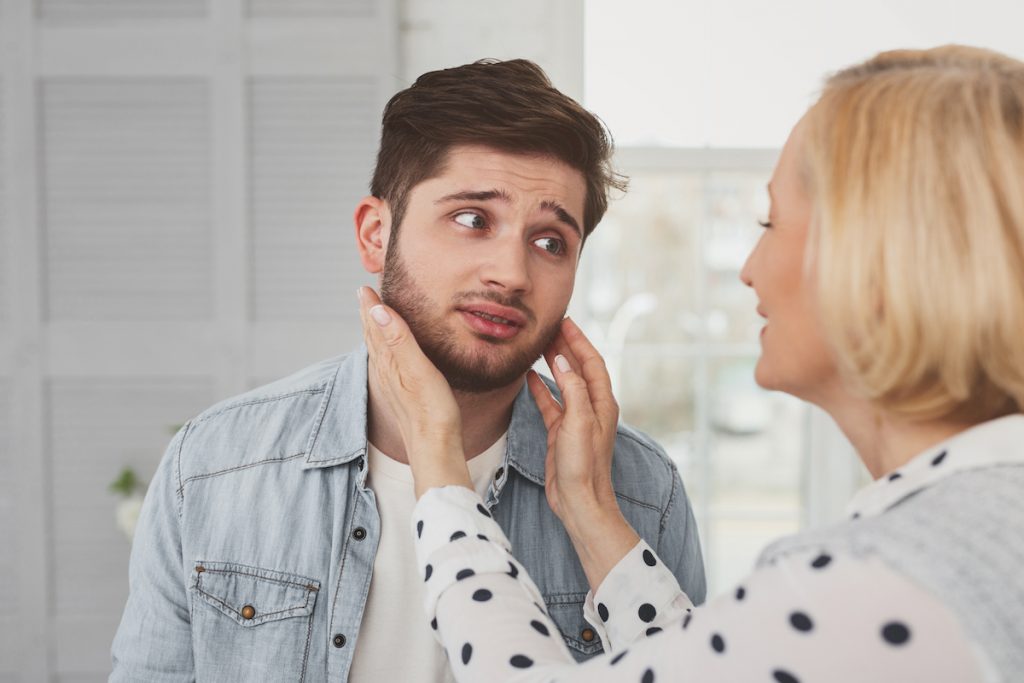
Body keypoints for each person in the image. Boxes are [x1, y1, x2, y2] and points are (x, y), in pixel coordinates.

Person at [358, 45, 1024, 682]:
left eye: (770, 223)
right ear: (374, 233)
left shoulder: (880, 583)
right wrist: (591, 512)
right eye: (472, 220)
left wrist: (439, 467)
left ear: (873, 261)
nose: (748, 269)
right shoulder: (981, 528)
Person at [109, 59, 706, 682]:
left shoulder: (641, 492)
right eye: (473, 219)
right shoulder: (213, 465)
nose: (511, 274)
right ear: (376, 234)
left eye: (550, 241)